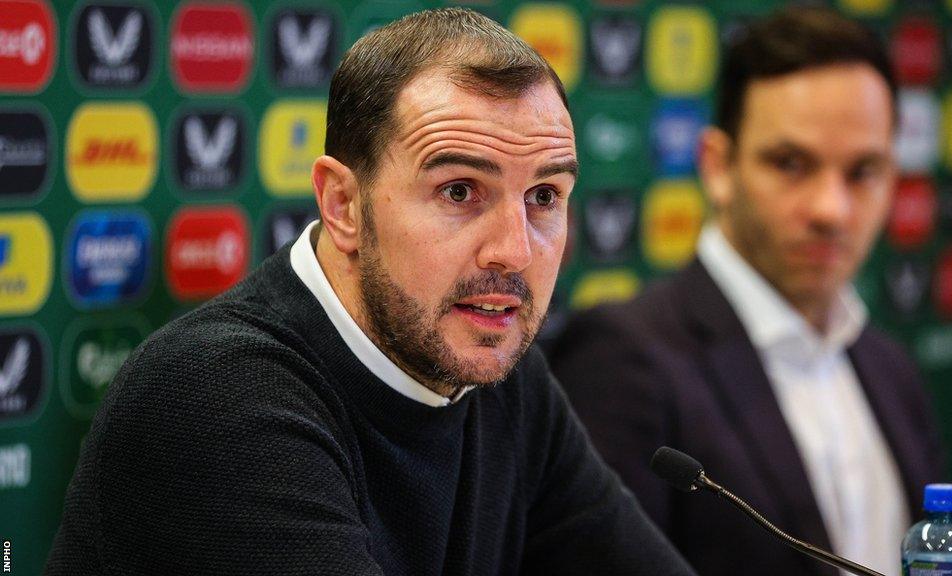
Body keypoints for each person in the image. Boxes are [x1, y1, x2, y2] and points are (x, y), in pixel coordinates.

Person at [45, 9, 695, 575]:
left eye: (544, 197)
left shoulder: (502, 380)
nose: (515, 251)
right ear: (344, 206)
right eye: (460, 191)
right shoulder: (218, 394)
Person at [549, 7, 945, 576]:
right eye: (791, 164)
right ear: (718, 167)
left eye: (863, 171)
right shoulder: (622, 357)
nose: (831, 210)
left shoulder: (892, 369)